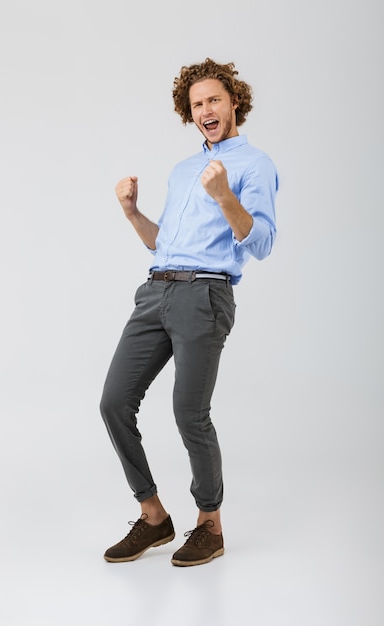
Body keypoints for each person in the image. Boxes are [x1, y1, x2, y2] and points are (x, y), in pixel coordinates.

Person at [100, 57, 278, 567]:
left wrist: (225, 198)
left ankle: (210, 526)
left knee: (188, 414)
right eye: (197, 103)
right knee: (113, 402)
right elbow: (166, 248)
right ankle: (154, 516)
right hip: (155, 291)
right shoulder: (182, 171)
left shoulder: (254, 165)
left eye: (214, 99)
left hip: (205, 296)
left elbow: (262, 242)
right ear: (189, 112)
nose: (206, 109)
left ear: (234, 102)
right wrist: (133, 213)